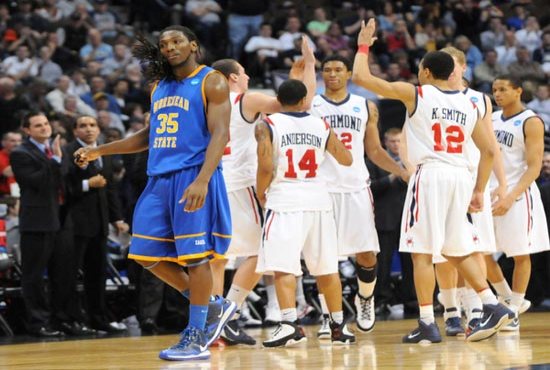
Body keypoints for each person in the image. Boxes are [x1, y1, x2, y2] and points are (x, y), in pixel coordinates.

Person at [74, 26, 237, 361]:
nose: (169, 47)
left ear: (193, 45)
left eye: (176, 41)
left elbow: (221, 133)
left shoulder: (212, 80)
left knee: (195, 257)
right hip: (159, 178)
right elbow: (147, 135)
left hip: (193, 175)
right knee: (144, 253)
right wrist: (99, 150)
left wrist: (203, 180)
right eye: (163, 44)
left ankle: (195, 334)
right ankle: (209, 306)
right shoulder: (159, 87)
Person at [352, 19, 513, 343]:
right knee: (456, 248)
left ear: (425, 72)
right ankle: (492, 304)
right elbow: (489, 152)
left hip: (431, 177)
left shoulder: (418, 94)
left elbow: (361, 77)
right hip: (460, 178)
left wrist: (363, 45)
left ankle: (427, 321)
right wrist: (480, 189)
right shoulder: (470, 103)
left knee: (421, 252)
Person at [210, 36, 316, 346]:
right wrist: (309, 65)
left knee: (217, 258)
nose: (247, 76)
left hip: (212, 183)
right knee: (262, 253)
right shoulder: (247, 100)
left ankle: (214, 323)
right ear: (232, 78)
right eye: (242, 72)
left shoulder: (202, 104)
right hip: (240, 186)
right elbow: (301, 104)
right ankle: (229, 313)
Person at [309, 54, 407, 338]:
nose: (332, 74)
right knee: (324, 258)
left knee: (366, 255)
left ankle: (365, 298)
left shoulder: (365, 106)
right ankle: (331, 316)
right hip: (322, 187)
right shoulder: (312, 105)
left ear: (348, 73)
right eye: (326, 70)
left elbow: (374, 151)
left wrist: (400, 170)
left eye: (338, 69)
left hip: (355, 187)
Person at [255, 79, 355, 347]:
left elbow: (265, 167)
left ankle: (289, 324)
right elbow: (346, 158)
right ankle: (338, 326)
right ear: (304, 101)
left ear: (278, 99)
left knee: (283, 267)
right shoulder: (320, 124)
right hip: (318, 201)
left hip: (285, 200)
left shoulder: (268, 124)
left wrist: (260, 192)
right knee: (326, 268)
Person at [433, 46, 508, 337]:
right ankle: (451, 311)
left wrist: (500, 184)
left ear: (464, 68)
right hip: (443, 178)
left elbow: (492, 146)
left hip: (474, 180)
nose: (449, 70)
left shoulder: (480, 100)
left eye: (453, 65)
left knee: (475, 247)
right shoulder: (427, 95)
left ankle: (477, 309)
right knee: (443, 251)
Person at [485, 75, 550, 330]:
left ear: (519, 91)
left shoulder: (531, 121)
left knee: (520, 254)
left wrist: (511, 197)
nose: (497, 94)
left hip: (518, 195)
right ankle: (506, 298)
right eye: (494, 90)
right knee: (480, 252)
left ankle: (514, 307)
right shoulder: (489, 119)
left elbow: (534, 168)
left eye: (503, 89)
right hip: (490, 191)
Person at [64, 116, 130, 333]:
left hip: (100, 223)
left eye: (92, 125)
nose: (88, 129)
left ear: (98, 129)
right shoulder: (68, 151)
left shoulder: (104, 152)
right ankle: (74, 320)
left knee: (98, 273)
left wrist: (117, 218)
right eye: (82, 125)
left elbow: (110, 189)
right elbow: (63, 184)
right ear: (75, 131)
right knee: (71, 275)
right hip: (74, 223)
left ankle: (99, 318)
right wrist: (86, 184)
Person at [10, 112, 71, 337]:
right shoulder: (20, 153)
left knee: (61, 275)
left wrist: (57, 159)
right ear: (27, 130)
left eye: (45, 124)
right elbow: (37, 182)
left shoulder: (52, 149)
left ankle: (58, 319)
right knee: (33, 276)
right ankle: (37, 323)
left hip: (59, 219)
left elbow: (62, 177)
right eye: (38, 125)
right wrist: (55, 160)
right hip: (36, 222)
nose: (44, 128)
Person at [0, 132, 22, 197]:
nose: (17, 144)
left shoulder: (25, 156)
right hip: (3, 197)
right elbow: (7, 173)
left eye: (19, 141)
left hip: (22, 195)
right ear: (3, 143)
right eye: (13, 141)